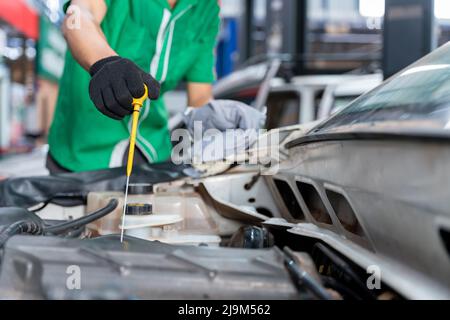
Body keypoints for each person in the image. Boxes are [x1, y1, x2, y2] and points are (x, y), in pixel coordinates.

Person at [47, 0, 221, 173]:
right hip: (82, 153)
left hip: (153, 154)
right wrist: (105, 62)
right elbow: (77, 17)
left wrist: (219, 126)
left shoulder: (207, 7)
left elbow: (200, 98)